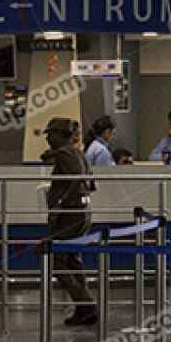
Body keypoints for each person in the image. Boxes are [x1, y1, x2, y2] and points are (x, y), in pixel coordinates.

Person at [42, 118, 96, 326]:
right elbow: (90, 183)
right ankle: (84, 310)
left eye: (50, 134)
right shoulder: (77, 152)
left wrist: (60, 205)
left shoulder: (65, 153)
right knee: (73, 260)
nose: (47, 138)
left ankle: (86, 304)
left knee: (58, 262)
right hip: (82, 211)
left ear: (58, 134)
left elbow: (78, 180)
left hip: (70, 214)